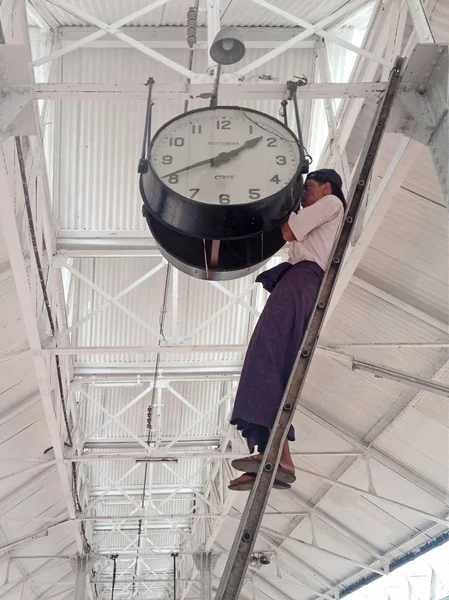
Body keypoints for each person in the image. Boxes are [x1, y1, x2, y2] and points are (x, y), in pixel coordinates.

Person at [228, 169, 346, 491]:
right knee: (269, 359)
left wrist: (286, 208)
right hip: (298, 281)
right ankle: (274, 456)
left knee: (266, 352)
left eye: (308, 188)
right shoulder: (321, 211)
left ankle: (274, 453)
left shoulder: (332, 203)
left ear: (326, 187)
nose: (304, 194)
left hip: (303, 280)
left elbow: (289, 232)